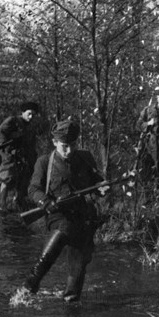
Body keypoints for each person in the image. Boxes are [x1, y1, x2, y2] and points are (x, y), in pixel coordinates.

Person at [22, 119, 107, 302]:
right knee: (61, 233)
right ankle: (30, 284)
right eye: (64, 146)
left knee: (78, 266)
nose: (69, 150)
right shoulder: (44, 162)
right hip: (58, 214)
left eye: (73, 145)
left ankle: (71, 305)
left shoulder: (85, 157)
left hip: (83, 216)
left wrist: (101, 187)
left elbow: (96, 180)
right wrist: (45, 202)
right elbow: (33, 190)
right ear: (54, 142)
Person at [0, 101, 39, 211]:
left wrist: (32, 155)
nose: (31, 117)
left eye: (33, 115)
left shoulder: (30, 126)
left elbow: (31, 142)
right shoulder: (12, 120)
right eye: (29, 113)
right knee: (7, 176)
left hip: (23, 155)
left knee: (23, 177)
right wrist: (7, 148)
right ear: (23, 112)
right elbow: (0, 133)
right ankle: (2, 203)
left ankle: (18, 201)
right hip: (9, 154)